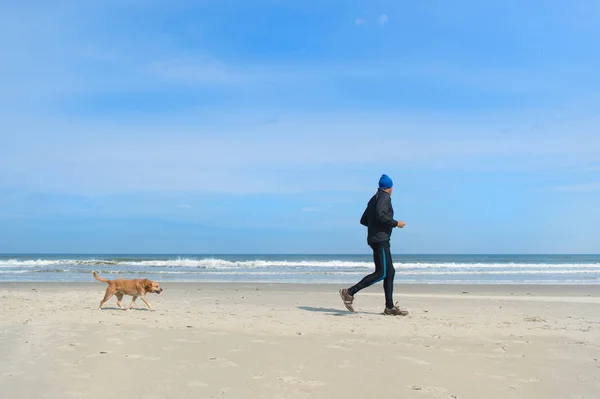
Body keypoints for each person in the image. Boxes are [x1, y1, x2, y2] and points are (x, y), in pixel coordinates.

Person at [339, 174, 409, 316]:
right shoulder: (384, 198)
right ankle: (349, 292)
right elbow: (381, 215)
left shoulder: (374, 199)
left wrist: (376, 227)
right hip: (380, 240)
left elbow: (364, 220)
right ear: (390, 188)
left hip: (375, 238)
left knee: (390, 272)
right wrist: (396, 224)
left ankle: (389, 307)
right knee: (382, 272)